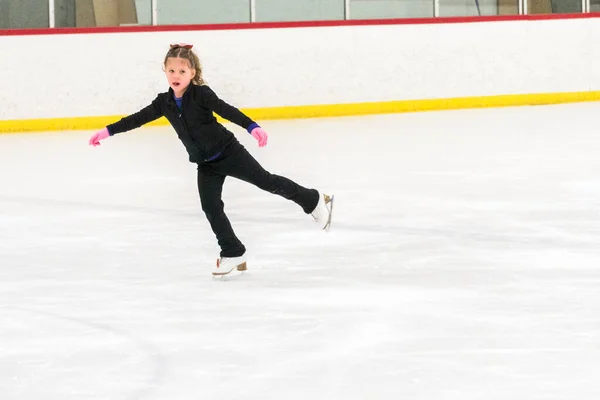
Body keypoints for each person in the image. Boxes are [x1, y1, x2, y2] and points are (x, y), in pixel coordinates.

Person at [89, 43, 333, 276]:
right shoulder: (163, 102)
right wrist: (107, 131)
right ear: (164, 70)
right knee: (210, 207)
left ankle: (312, 199)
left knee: (267, 182)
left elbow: (226, 109)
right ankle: (233, 251)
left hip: (229, 153)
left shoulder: (201, 94)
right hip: (205, 164)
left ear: (192, 72)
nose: (176, 75)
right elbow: (136, 118)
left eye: (182, 71)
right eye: (171, 70)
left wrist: (252, 127)